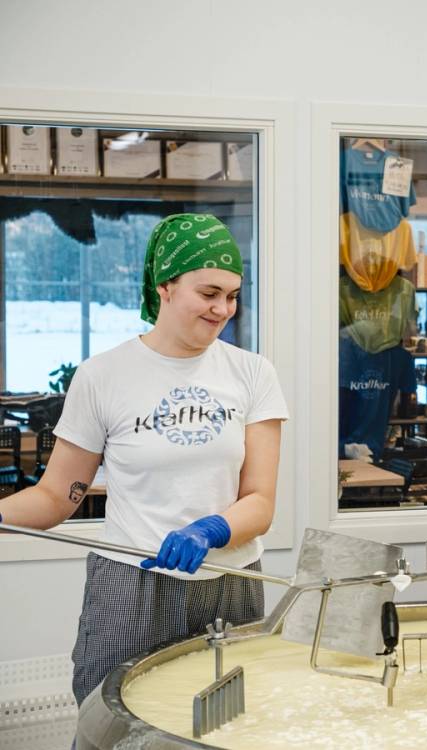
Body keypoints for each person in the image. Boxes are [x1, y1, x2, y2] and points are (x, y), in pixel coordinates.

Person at [0, 214, 289, 706]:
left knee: (222, 724)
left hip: (230, 582)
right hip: (130, 585)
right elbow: (55, 497)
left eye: (233, 295)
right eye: (209, 293)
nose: (223, 309)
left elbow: (260, 502)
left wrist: (209, 530)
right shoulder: (103, 376)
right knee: (113, 721)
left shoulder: (252, 373)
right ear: (166, 287)